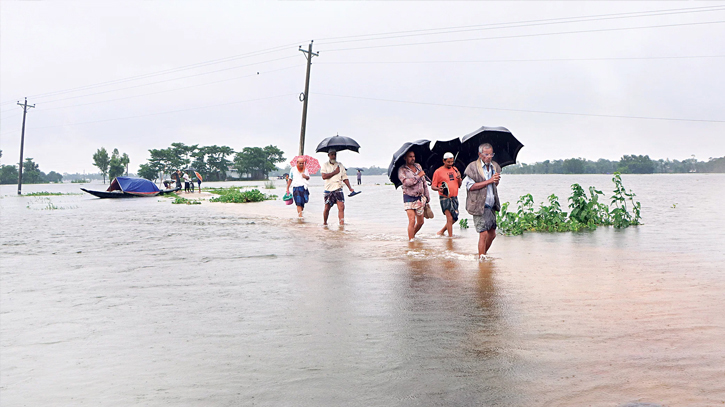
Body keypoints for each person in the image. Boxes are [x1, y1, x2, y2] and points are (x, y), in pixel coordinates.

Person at [463, 143, 501, 260]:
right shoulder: (472, 167)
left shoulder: (495, 167)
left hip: (491, 203)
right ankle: (481, 258)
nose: (489, 157)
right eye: (486, 154)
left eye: (491, 154)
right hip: (478, 204)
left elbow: (494, 185)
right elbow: (471, 186)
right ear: (480, 154)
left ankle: (482, 254)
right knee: (483, 233)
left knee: (492, 233)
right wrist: (489, 181)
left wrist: (496, 181)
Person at [398, 150, 430, 241]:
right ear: (405, 158)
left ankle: (412, 236)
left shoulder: (418, 166)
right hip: (408, 197)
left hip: (420, 197)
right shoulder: (402, 170)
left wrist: (427, 196)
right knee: (412, 220)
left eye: (413, 156)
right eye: (410, 156)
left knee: (421, 222)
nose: (412, 158)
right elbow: (406, 182)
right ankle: (411, 241)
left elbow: (424, 183)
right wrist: (418, 176)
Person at [431, 152, 462, 237]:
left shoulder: (455, 169)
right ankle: (450, 237)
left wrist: (459, 178)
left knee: (455, 218)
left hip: (454, 196)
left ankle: (441, 231)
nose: (450, 164)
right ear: (443, 161)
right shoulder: (438, 172)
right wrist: (438, 188)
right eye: (448, 162)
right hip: (444, 197)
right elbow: (433, 186)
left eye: (452, 162)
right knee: (449, 217)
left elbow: (459, 185)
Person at [320, 150, 355, 226]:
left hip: (338, 188)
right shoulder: (325, 165)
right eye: (332, 154)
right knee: (327, 207)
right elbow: (324, 176)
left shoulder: (340, 165)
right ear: (328, 155)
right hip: (328, 189)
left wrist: (350, 188)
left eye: (335, 154)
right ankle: (325, 223)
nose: (334, 156)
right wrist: (335, 172)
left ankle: (341, 224)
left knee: (341, 207)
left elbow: (344, 177)